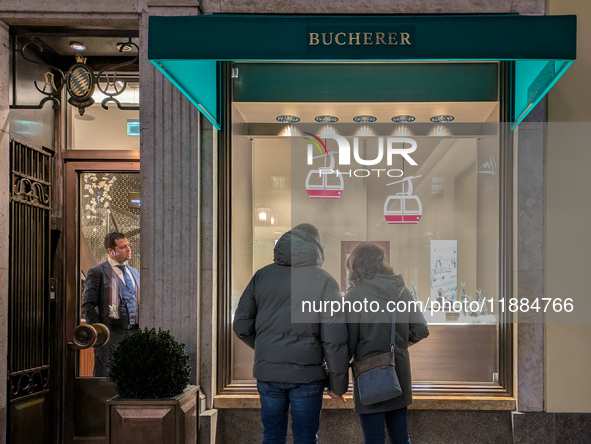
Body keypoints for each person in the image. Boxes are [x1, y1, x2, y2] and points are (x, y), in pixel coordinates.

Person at [233, 223, 349, 444]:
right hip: (307, 376)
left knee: (272, 436)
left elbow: (241, 325)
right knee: (305, 437)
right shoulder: (324, 281)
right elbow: (335, 338)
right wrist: (338, 385)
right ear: (316, 246)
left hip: (269, 374)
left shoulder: (262, 276)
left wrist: (268, 347)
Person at [345, 242, 429, 444]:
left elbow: (348, 342)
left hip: (368, 374)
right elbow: (421, 330)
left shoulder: (355, 295)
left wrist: (336, 380)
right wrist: (399, 345)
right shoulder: (403, 292)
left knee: (373, 438)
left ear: (356, 265)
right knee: (400, 435)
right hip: (397, 372)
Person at [81, 232, 140, 377]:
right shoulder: (97, 272)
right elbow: (87, 305)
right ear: (111, 251)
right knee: (108, 380)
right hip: (111, 336)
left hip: (135, 335)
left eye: (128, 246)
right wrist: (100, 333)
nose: (128, 249)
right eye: (123, 247)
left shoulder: (135, 272)